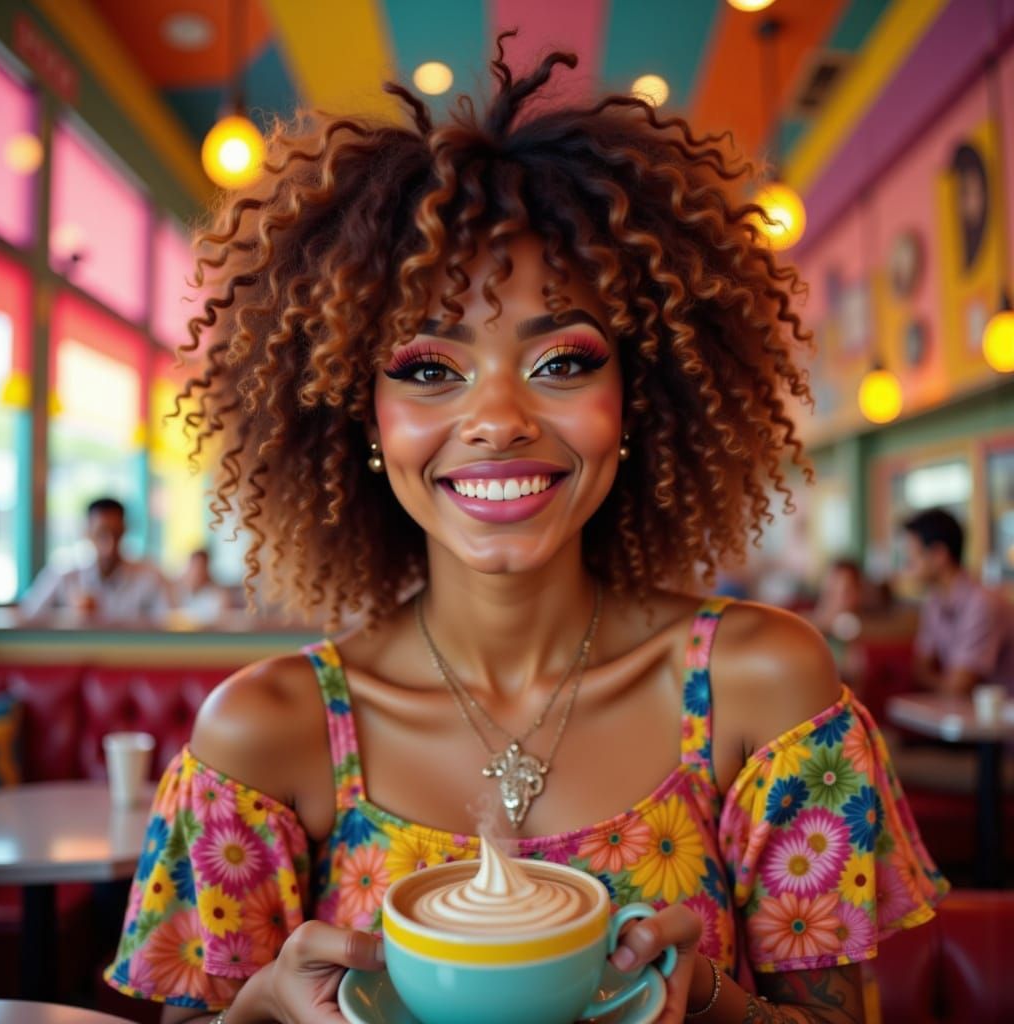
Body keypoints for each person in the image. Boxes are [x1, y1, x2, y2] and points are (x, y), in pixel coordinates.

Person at [105, 39, 947, 1024]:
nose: (499, 416)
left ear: (638, 400)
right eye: (427, 367)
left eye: (561, 361)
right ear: (355, 414)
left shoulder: (765, 691)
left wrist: (705, 1001)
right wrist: (258, 1010)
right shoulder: (263, 735)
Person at [903, 507, 1014, 695]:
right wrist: (945, 681)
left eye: (913, 556)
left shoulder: (982, 603)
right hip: (966, 716)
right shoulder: (935, 602)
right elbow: (919, 669)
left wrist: (943, 681)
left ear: (939, 555)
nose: (907, 564)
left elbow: (958, 687)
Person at [19, 497, 170, 625]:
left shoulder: (151, 576)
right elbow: (26, 617)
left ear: (125, 531)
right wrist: (68, 614)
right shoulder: (63, 574)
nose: (110, 544)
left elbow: (170, 623)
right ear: (87, 532)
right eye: (101, 533)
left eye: (116, 533)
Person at [170, 548, 232, 625]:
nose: (196, 572)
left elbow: (224, 619)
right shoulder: (179, 591)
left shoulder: (219, 595)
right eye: (193, 567)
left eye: (200, 567)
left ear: (207, 568)